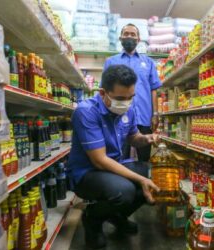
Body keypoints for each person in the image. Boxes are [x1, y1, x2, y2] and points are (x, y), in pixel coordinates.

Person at [67, 65, 160, 249]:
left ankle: (117, 217)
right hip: (87, 174)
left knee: (154, 174)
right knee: (124, 191)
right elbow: (99, 160)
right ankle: (92, 220)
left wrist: (146, 138)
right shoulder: (86, 112)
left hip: (114, 167)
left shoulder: (129, 109)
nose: (126, 103)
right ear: (103, 93)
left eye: (130, 97)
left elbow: (133, 138)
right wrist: (140, 179)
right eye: (120, 98)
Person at [103, 23, 161, 161]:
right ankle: (120, 181)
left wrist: (155, 114)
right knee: (119, 155)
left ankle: (142, 180)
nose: (129, 37)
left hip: (144, 115)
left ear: (138, 39)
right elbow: (105, 90)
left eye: (133, 34)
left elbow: (154, 89)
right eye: (126, 34)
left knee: (144, 156)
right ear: (120, 38)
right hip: (118, 115)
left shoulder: (148, 63)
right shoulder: (111, 61)